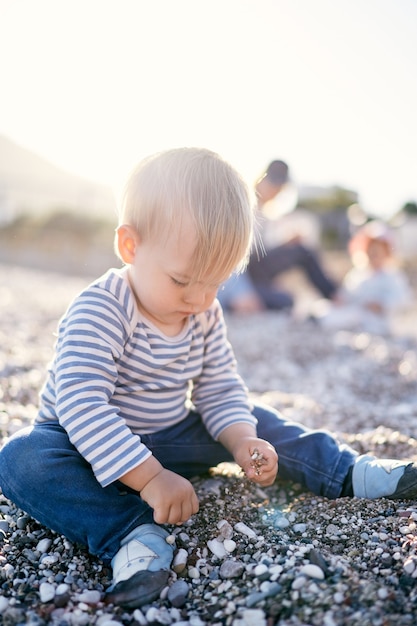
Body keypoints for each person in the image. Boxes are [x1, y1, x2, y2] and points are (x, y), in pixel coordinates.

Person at [1, 147, 417, 611]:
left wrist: (241, 441)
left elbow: (218, 387)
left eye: (215, 283)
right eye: (183, 280)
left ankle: (345, 471)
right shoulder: (101, 308)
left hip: (168, 433)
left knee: (258, 419)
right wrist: (151, 479)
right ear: (131, 247)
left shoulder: (202, 312)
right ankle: (131, 534)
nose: (200, 298)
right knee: (22, 459)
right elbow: (82, 405)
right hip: (78, 444)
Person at [218, 159, 338, 312]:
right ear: (263, 179)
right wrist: (242, 292)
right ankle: (233, 300)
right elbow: (230, 254)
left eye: (281, 187)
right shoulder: (241, 205)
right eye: (275, 184)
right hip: (237, 276)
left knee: (300, 253)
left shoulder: (265, 212)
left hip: (253, 271)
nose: (277, 191)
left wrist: (285, 244)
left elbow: (261, 251)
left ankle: (335, 295)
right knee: (285, 301)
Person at [311, 220, 412, 334]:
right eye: (369, 252)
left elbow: (402, 299)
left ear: (386, 253)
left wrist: (383, 305)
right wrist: (340, 299)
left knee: (355, 318)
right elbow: (347, 294)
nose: (373, 256)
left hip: (377, 320)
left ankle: (324, 322)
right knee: (324, 307)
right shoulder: (357, 275)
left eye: (377, 253)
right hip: (355, 310)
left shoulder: (392, 276)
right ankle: (317, 319)